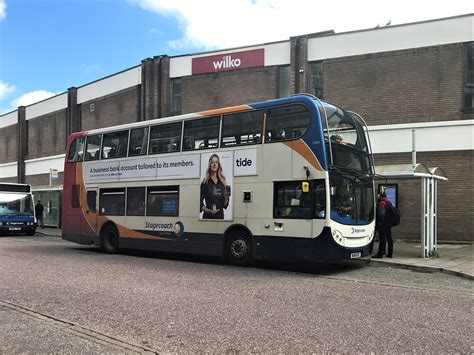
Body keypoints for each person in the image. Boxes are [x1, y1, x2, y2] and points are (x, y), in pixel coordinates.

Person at [200, 154, 229, 219]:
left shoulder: (223, 182)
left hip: (220, 217)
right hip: (207, 217)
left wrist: (226, 197)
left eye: (216, 162)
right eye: (212, 162)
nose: (214, 164)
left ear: (218, 165)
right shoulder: (205, 182)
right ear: (210, 165)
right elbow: (199, 202)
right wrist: (208, 211)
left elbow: (225, 205)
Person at [373, 192, 394, 258]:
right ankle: (390, 253)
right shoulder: (389, 202)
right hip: (389, 223)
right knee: (389, 238)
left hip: (383, 224)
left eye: (379, 197)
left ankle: (380, 253)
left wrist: (380, 222)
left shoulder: (382, 203)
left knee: (382, 238)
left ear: (381, 197)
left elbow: (381, 214)